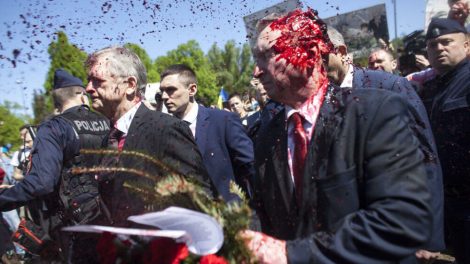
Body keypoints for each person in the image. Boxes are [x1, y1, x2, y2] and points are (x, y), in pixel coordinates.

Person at [242, 9, 432, 263]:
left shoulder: (375, 113)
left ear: (308, 53)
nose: (257, 71)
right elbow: (266, 212)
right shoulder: (267, 134)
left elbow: (402, 219)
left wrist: (292, 254)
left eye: (268, 55)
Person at [326, 26, 445, 262]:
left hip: (397, 226)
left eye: (319, 56)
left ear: (340, 51)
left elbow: (425, 157)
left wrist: (428, 233)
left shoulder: (389, 86)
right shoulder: (320, 97)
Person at [85, 46, 214, 227]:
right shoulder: (108, 139)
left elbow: (198, 201)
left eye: (97, 80)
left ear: (130, 85)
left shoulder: (166, 129)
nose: (88, 88)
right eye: (89, 80)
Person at [0, 69, 110, 261]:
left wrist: (5, 197)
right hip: (109, 215)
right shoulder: (107, 121)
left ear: (57, 101)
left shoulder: (54, 126)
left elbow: (41, 182)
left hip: (74, 226)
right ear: (82, 95)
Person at [159, 64, 255, 201]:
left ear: (192, 90)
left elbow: (250, 166)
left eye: (170, 90)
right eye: (161, 91)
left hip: (229, 215)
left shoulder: (223, 121)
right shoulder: (164, 129)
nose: (164, 96)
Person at [421, 18, 470, 264]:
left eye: (446, 42)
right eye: (432, 45)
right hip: (447, 204)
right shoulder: (428, 89)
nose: (439, 48)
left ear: (467, 46)